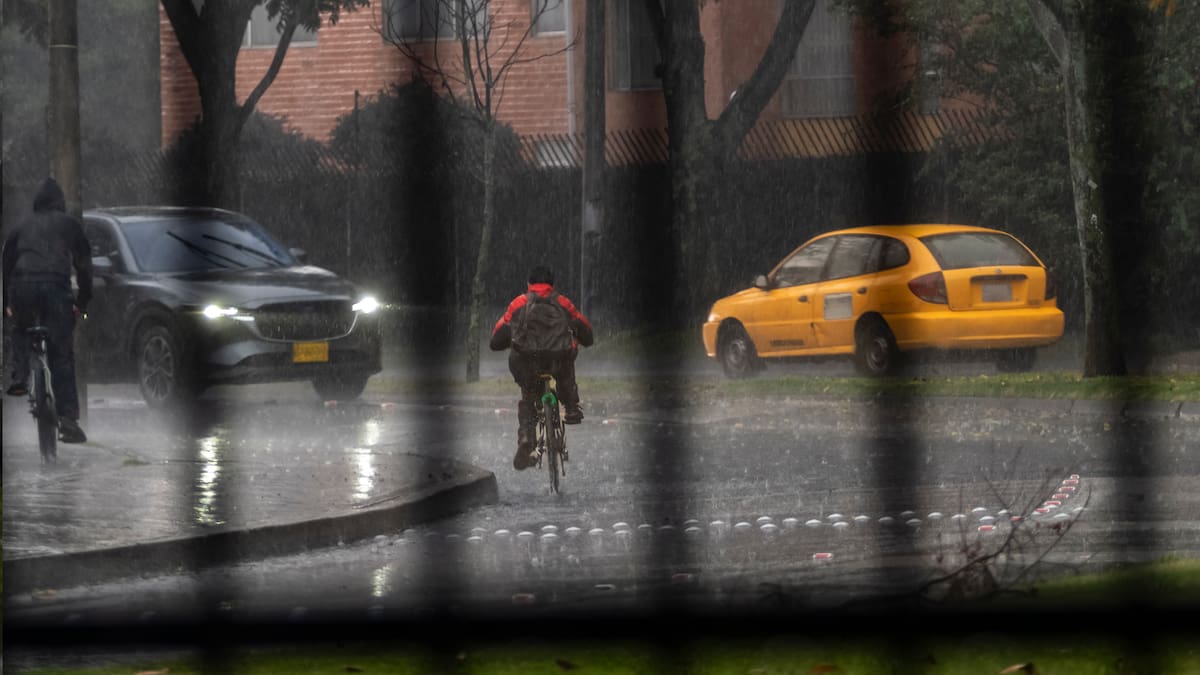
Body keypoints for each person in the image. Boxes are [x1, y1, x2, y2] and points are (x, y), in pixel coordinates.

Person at [3, 177, 93, 443]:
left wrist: (6, 303)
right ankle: (68, 420)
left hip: (23, 288)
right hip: (56, 289)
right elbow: (85, 266)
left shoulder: (21, 226)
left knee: (20, 328)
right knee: (61, 354)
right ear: (60, 203)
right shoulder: (69, 225)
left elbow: (6, 265)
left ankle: (19, 377)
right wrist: (83, 302)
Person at [490, 265, 593, 470]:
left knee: (529, 395)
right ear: (552, 285)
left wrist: (512, 340)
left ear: (529, 285)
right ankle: (571, 406)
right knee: (567, 357)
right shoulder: (562, 303)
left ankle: (527, 436)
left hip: (528, 363)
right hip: (557, 361)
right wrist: (578, 339)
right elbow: (587, 333)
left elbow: (496, 340)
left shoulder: (519, 303)